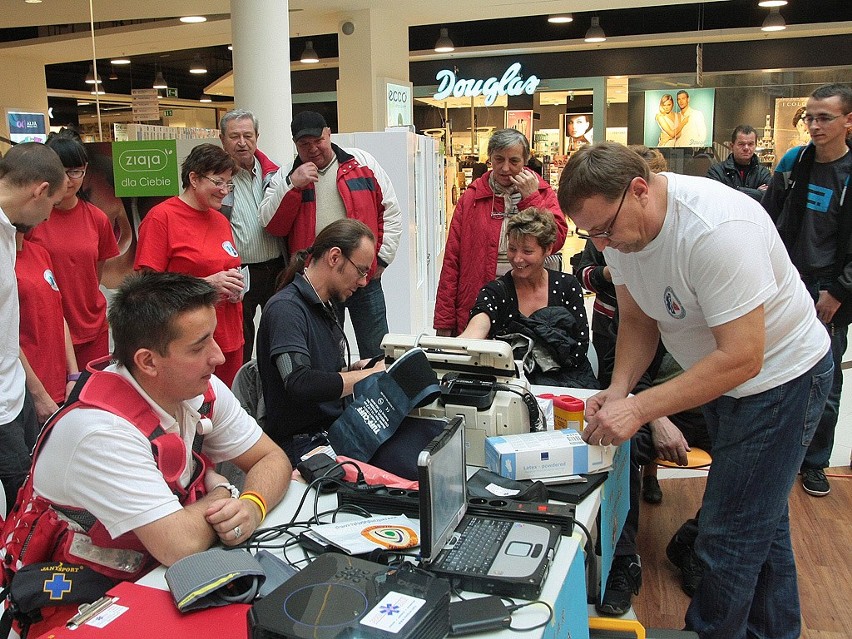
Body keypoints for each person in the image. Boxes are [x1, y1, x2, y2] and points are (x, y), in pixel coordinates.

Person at [558, 142, 832, 639]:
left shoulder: (717, 231)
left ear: (639, 190)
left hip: (782, 379)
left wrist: (640, 407)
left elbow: (743, 356)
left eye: (605, 229)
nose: (603, 243)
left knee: (727, 538)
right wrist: (620, 388)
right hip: (728, 381)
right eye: (590, 233)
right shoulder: (622, 235)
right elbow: (640, 316)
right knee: (760, 525)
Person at [0, 271, 291, 635]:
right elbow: (179, 545)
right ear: (148, 361)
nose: (218, 356)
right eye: (199, 347)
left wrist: (251, 505)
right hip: (77, 606)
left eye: (213, 337)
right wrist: (222, 491)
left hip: (150, 581)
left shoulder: (198, 388)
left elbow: (273, 458)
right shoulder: (100, 433)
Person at [763, 83, 852, 498]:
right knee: (775, 367)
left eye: (824, 118)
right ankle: (780, 453)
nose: (814, 126)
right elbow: (774, 216)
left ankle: (814, 462)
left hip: (830, 290)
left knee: (824, 379)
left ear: (847, 121)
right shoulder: (796, 162)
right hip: (788, 281)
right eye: (809, 118)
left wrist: (838, 291)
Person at [259, 111, 402, 359]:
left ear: (328, 134)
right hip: (318, 282)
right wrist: (293, 184)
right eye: (305, 144)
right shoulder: (286, 176)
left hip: (363, 278)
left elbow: (390, 211)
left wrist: (380, 260)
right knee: (325, 352)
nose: (313, 148)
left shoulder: (362, 164)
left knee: (376, 349)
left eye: (318, 141)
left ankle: (378, 394)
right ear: (296, 145)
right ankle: (336, 393)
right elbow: (272, 225)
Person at [256, 219, 386, 464]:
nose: (362, 281)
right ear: (334, 257)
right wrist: (369, 376)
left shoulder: (325, 303)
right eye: (360, 271)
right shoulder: (286, 310)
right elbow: (298, 382)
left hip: (326, 431)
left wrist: (352, 370)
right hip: (301, 443)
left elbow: (319, 373)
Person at [435, 128, 569, 337]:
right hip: (478, 301)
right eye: (499, 159)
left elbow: (556, 240)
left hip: (528, 303)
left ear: (525, 160)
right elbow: (452, 260)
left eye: (514, 161)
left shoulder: (542, 192)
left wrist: (531, 198)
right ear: (490, 158)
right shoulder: (472, 197)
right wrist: (444, 320)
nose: (505, 168)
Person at [134, 143, 244, 387]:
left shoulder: (220, 220)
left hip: (228, 334)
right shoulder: (161, 218)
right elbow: (146, 289)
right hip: (188, 342)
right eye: (218, 182)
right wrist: (206, 284)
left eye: (229, 184)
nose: (224, 190)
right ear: (194, 178)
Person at [460, 207, 597, 389]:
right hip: (514, 385)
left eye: (527, 251)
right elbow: (475, 331)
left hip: (567, 382)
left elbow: (580, 345)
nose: (517, 259)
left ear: (547, 249)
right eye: (512, 249)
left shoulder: (568, 286)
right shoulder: (495, 292)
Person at [0, 142, 67, 508]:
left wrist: (36, 393)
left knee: (31, 495)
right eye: (52, 205)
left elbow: (6, 331)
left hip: (15, 394)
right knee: (19, 508)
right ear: (39, 191)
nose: (48, 217)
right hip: (2, 409)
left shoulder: (9, 233)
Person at [28, 131, 120, 370]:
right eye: (61, 170)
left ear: (85, 170)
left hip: (91, 327)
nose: (68, 180)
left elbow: (95, 273)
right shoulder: (32, 219)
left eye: (75, 171)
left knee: (90, 397)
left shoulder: (97, 218)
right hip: (47, 330)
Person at [218, 109, 286, 363]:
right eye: (234, 136)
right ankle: (240, 394)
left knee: (276, 333)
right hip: (238, 272)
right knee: (240, 337)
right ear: (222, 139)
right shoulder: (217, 180)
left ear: (257, 137)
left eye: (248, 135)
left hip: (276, 268)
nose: (242, 142)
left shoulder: (276, 173)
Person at [15, 230, 78, 422]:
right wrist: (38, 394)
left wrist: (74, 375)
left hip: (59, 385)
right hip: (26, 389)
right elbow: (5, 334)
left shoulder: (40, 252)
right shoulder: (6, 259)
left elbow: (59, 314)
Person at [706, 125, 771, 202]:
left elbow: (769, 199)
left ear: (755, 146)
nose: (746, 148)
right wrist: (756, 193)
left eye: (750, 144)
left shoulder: (763, 173)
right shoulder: (716, 171)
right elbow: (713, 197)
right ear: (731, 146)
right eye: (741, 144)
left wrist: (732, 190)